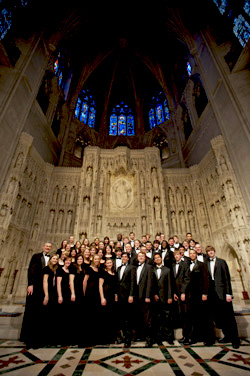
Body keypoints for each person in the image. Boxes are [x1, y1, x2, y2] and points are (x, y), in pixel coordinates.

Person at [204, 246, 240, 349]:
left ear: (214, 251)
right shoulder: (205, 263)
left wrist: (229, 293)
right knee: (218, 317)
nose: (210, 252)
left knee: (229, 317)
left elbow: (227, 278)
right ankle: (226, 336)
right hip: (212, 295)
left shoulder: (221, 262)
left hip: (223, 294)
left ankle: (235, 340)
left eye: (211, 251)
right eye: (208, 251)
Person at [20, 242, 52, 348]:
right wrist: (30, 284)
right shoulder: (36, 256)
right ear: (43, 247)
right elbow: (31, 270)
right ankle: (29, 339)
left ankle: (40, 338)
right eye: (46, 246)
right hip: (36, 286)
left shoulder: (52, 258)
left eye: (49, 247)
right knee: (32, 311)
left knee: (43, 311)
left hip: (46, 287)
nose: (48, 248)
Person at [184, 249, 210, 345]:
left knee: (203, 316)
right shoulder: (187, 265)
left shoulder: (202, 264)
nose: (192, 255)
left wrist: (205, 293)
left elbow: (206, 279)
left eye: (193, 253)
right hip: (191, 295)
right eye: (190, 253)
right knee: (193, 317)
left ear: (196, 254)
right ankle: (194, 337)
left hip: (200, 294)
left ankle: (207, 339)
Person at [152, 253, 174, 345]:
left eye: (158, 257)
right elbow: (151, 284)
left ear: (161, 258)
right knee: (157, 319)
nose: (157, 259)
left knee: (167, 318)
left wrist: (169, 297)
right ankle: (158, 338)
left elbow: (170, 284)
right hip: (156, 298)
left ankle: (169, 338)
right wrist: (154, 294)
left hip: (165, 298)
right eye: (155, 258)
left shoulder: (167, 270)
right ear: (154, 260)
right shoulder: (152, 270)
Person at [134, 252, 154, 347]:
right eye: (139, 256)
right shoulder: (135, 267)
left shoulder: (149, 267)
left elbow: (150, 283)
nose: (141, 258)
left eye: (142, 256)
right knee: (139, 317)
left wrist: (148, 296)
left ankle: (149, 339)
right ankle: (141, 336)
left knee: (147, 318)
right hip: (137, 297)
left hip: (145, 297)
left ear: (145, 258)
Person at [117, 252, 136, 347]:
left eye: (125, 257)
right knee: (122, 317)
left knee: (128, 317)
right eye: (122, 257)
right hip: (120, 297)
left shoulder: (132, 268)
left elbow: (133, 282)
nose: (123, 258)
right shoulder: (119, 268)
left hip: (128, 296)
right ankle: (124, 336)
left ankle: (128, 338)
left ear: (128, 258)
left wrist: (131, 295)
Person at [171, 249, 190, 342]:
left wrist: (183, 292)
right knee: (181, 315)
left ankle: (188, 337)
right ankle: (184, 336)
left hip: (184, 294)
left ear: (181, 255)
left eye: (178, 255)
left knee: (186, 315)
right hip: (177, 294)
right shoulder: (173, 265)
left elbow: (187, 279)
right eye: (175, 255)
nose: (176, 256)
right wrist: (174, 293)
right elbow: (173, 281)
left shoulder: (185, 264)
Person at [83, 254, 101, 345]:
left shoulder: (99, 269)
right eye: (95, 259)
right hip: (90, 294)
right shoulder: (89, 269)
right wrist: (84, 293)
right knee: (89, 315)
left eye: (98, 259)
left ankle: (95, 338)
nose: (97, 260)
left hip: (97, 294)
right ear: (93, 260)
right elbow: (85, 281)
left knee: (95, 315)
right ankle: (88, 339)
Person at [99, 259, 118, 344]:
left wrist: (116, 295)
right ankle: (105, 338)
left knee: (113, 317)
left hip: (112, 297)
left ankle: (112, 338)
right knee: (106, 317)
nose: (109, 264)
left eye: (110, 263)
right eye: (108, 263)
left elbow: (116, 286)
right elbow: (100, 286)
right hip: (106, 296)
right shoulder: (103, 273)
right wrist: (102, 297)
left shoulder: (114, 273)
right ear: (105, 264)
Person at [69, 254, 86, 345]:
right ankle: (73, 338)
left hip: (81, 293)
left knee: (80, 314)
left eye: (81, 259)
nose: (80, 260)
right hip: (75, 292)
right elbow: (71, 281)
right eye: (78, 259)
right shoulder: (73, 268)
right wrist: (72, 293)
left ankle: (79, 338)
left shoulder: (83, 268)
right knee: (74, 315)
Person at [42, 254, 59, 345]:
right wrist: (46, 295)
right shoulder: (46, 269)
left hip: (53, 293)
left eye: (56, 259)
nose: (55, 260)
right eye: (53, 258)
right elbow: (45, 281)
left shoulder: (55, 269)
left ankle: (50, 339)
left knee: (51, 315)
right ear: (50, 259)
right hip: (47, 293)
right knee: (45, 315)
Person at [57, 256, 72, 345]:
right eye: (67, 261)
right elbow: (58, 283)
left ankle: (66, 338)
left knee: (67, 316)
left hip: (68, 294)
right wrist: (60, 296)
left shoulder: (70, 270)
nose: (68, 262)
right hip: (62, 293)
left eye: (69, 261)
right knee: (61, 316)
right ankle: (60, 339)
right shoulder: (60, 270)